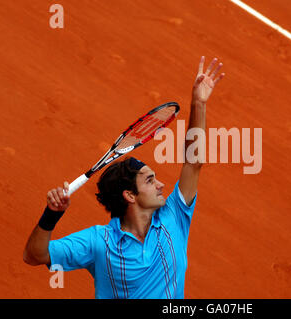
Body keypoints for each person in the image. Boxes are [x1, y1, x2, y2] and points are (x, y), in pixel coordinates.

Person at [23, 56, 225, 299]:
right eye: (150, 181)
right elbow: (34, 255)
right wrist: (51, 215)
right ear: (129, 195)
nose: (161, 185)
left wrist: (199, 104)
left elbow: (194, 162)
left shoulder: (174, 217)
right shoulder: (99, 243)